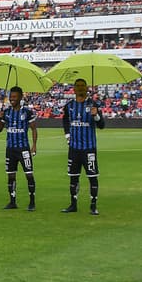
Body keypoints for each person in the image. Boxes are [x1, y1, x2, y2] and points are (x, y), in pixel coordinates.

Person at [61, 78, 104, 215]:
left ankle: (93, 205)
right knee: (73, 176)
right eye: (77, 86)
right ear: (73, 89)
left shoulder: (93, 104)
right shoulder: (69, 106)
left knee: (92, 176)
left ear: (86, 88)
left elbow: (102, 125)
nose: (80, 88)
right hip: (74, 148)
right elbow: (65, 121)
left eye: (82, 86)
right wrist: (67, 135)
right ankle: (73, 204)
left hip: (89, 148)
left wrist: (96, 115)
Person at [0, 85, 39, 210]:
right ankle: (12, 201)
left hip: (23, 149)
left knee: (29, 174)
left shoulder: (27, 112)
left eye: (15, 97)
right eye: (11, 97)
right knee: (11, 175)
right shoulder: (7, 112)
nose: (12, 99)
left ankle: (32, 202)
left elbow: (34, 129)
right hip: (10, 149)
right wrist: (0, 118)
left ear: (21, 97)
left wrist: (34, 145)